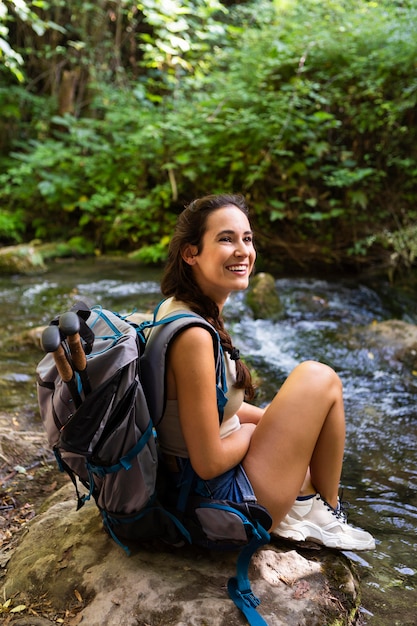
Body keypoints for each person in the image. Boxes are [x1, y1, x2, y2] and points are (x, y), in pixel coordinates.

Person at [151, 193, 375, 551]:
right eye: (226, 239)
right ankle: (325, 512)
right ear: (190, 253)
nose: (243, 250)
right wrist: (259, 431)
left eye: (247, 238)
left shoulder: (177, 308)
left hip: (195, 490)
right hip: (218, 501)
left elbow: (208, 407)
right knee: (319, 378)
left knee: (302, 432)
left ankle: (310, 506)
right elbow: (208, 462)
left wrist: (270, 419)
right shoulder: (194, 336)